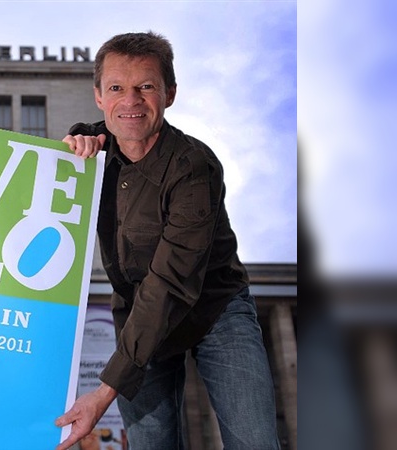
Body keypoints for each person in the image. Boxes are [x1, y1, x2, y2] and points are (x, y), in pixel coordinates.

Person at [55, 32, 280, 449]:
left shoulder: (194, 167)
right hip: (139, 313)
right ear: (99, 97)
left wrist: (105, 392)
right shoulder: (91, 151)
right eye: (117, 88)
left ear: (170, 94)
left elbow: (170, 284)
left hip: (216, 311)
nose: (131, 101)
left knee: (254, 441)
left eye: (146, 87)